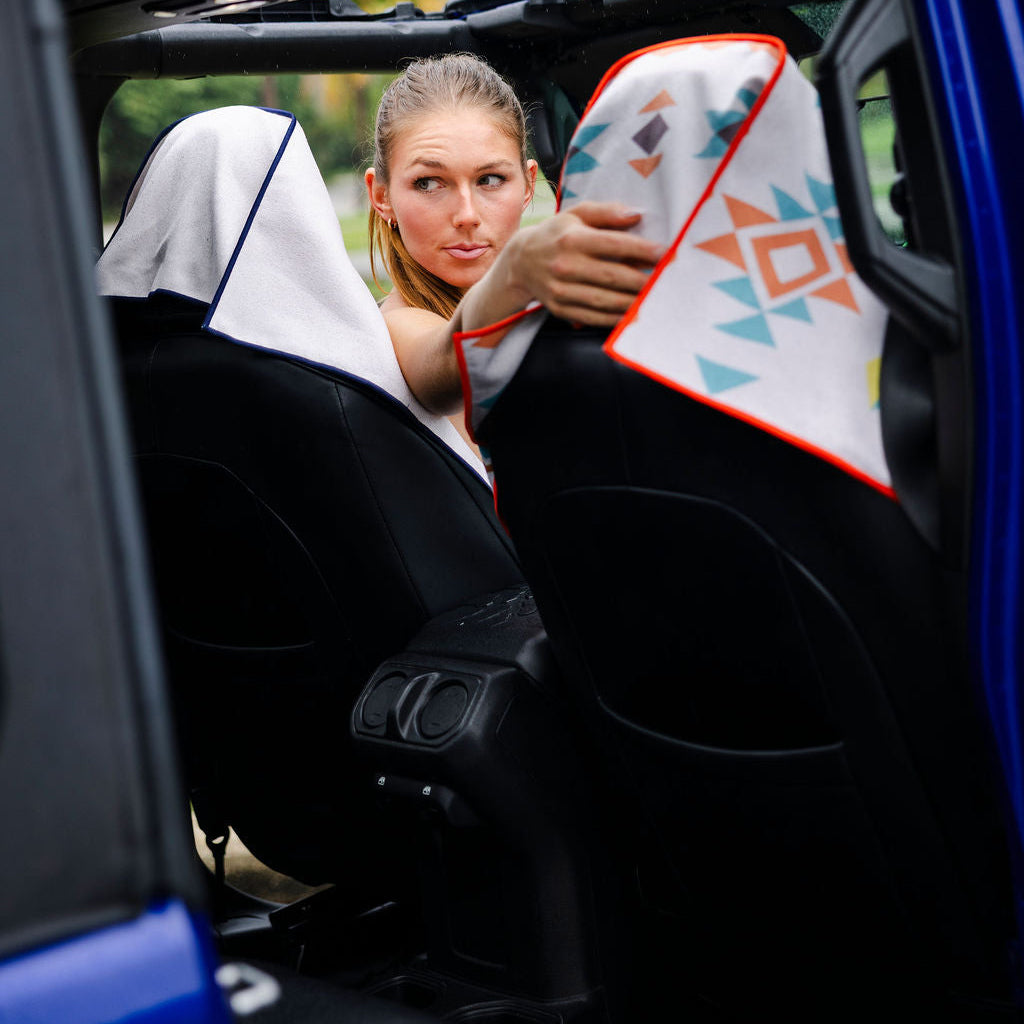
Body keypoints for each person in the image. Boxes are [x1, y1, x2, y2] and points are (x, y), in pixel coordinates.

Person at [365, 54, 664, 434]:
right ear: (381, 195)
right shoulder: (393, 326)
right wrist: (516, 271)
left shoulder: (559, 292)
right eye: (428, 183)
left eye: (490, 179)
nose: (467, 214)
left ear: (527, 184)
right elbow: (440, 375)